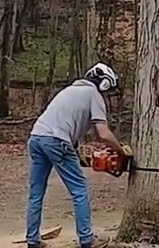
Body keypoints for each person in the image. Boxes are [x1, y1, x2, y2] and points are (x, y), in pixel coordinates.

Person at [25, 62, 125, 248]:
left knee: (35, 193)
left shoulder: (69, 91)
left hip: (36, 138)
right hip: (57, 141)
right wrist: (121, 151)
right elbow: (103, 134)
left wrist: (79, 154)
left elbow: (65, 123)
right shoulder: (94, 94)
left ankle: (32, 240)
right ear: (104, 83)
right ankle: (87, 239)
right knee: (80, 190)